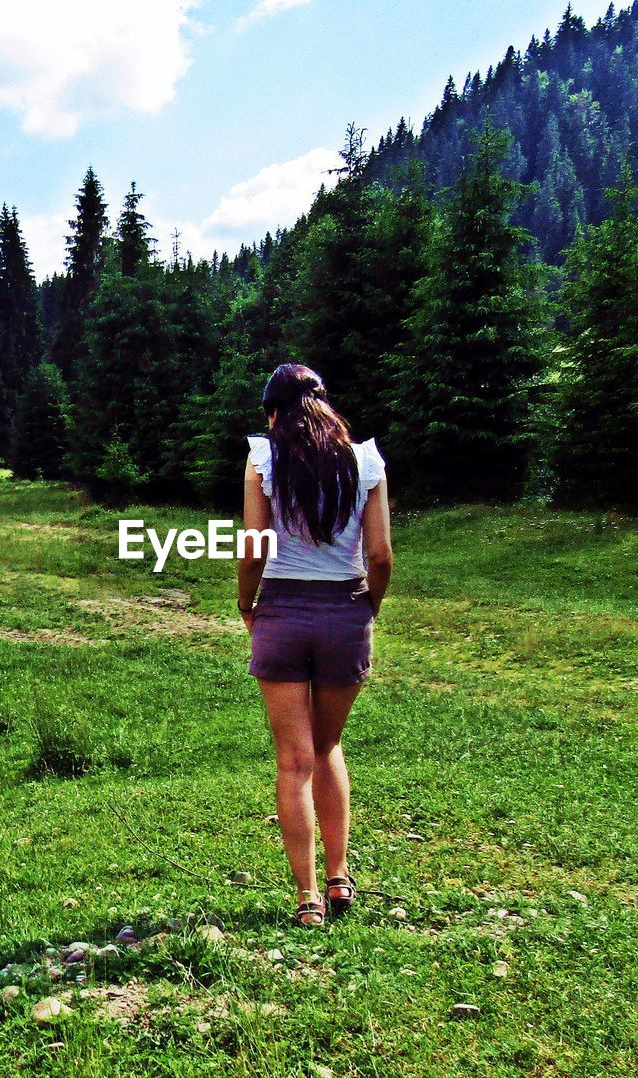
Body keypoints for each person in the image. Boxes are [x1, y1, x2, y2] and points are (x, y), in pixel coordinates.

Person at [237, 363, 394, 927]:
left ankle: (306, 900)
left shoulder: (264, 461)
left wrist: (245, 604)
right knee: (328, 748)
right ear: (325, 406)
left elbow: (254, 549)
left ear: (274, 412)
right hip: (344, 613)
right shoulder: (366, 460)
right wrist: (367, 606)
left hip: (282, 610)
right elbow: (380, 556)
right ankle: (339, 878)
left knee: (293, 761)